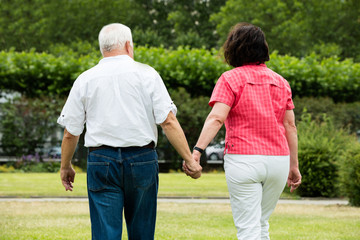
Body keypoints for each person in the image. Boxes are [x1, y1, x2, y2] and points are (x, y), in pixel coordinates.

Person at [58, 23, 202, 240]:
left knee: (105, 234)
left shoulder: (85, 79)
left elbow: (71, 132)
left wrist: (65, 166)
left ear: (102, 48)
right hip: (142, 158)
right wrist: (190, 160)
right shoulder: (148, 74)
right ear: (128, 45)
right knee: (142, 233)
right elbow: (168, 122)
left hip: (101, 160)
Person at [184, 23, 301, 239]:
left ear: (233, 48)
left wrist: (197, 150)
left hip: (244, 158)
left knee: (248, 227)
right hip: (278, 161)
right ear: (263, 48)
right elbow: (290, 126)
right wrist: (294, 166)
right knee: (261, 224)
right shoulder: (281, 82)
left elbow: (217, 117)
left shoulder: (230, 79)